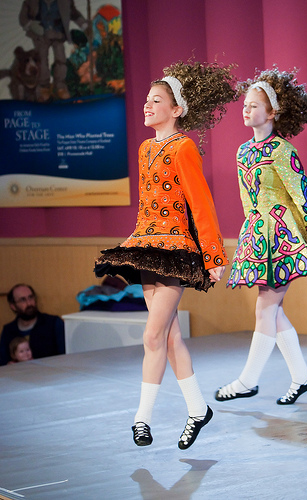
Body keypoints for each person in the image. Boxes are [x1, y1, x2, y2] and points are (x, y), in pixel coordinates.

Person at [94, 61, 238, 449]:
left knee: (153, 334)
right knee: (170, 337)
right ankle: (197, 410)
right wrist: (134, 240)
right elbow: (146, 205)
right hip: (147, 247)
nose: (146, 105)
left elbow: (201, 203)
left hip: (176, 252)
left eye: (156, 100)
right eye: (145, 99)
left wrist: (213, 255)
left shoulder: (184, 146)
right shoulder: (145, 149)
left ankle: (141, 418)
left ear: (177, 110)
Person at [214, 68, 307, 406]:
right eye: (245, 104)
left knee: (265, 308)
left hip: (284, 237)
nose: (246, 110)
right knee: (274, 310)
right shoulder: (243, 151)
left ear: (272, 112)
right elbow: (247, 200)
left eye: (255, 105)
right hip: (259, 236)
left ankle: (247, 381)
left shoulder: (282, 150)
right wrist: (249, 234)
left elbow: (302, 195)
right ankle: (302, 376)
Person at [19, 0, 88, 101]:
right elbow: (23, 18)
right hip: (41, 36)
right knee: (42, 60)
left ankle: (60, 85)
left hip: (58, 33)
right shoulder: (31, 2)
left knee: (61, 59)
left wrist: (84, 26)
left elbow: (73, 13)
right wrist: (31, 25)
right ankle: (43, 86)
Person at [0, 284, 65, 366]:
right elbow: (2, 361)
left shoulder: (53, 323)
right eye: (23, 300)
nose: (29, 303)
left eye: (31, 297)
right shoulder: (8, 331)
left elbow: (65, 356)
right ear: (13, 306)